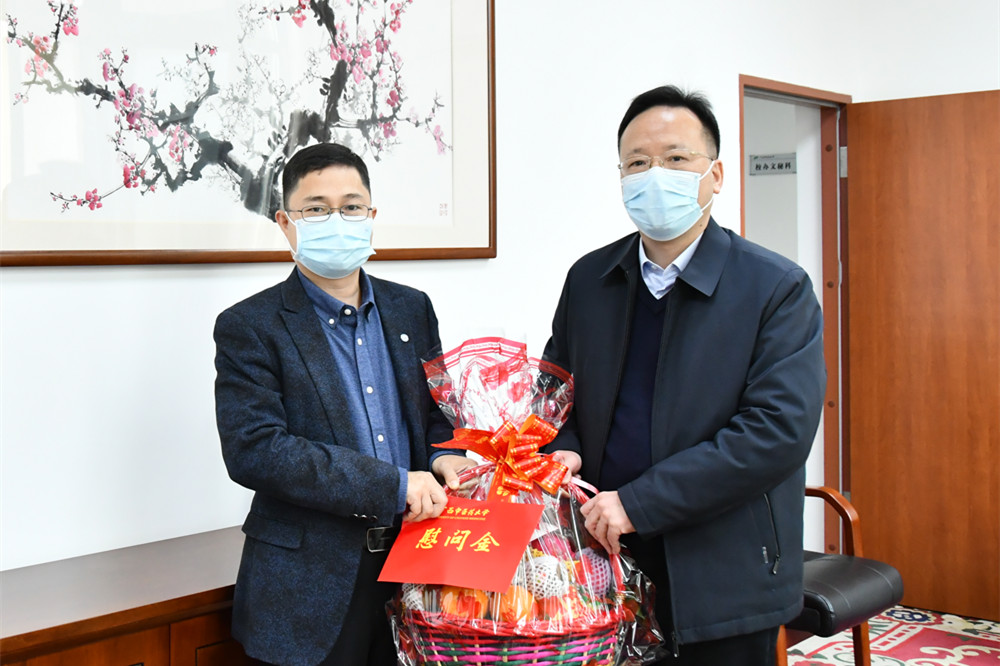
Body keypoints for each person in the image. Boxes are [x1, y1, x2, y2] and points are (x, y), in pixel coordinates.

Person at [543, 86, 827, 665]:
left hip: (724, 574)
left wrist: (639, 503)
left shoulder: (776, 288)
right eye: (637, 163)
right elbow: (554, 390)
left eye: (675, 159)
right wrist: (562, 445)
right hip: (601, 560)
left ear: (715, 175)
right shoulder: (589, 280)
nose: (654, 176)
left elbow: (776, 432)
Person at [213, 142, 476, 666]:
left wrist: (446, 454)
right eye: (316, 209)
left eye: (351, 207)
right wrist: (393, 484)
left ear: (371, 216)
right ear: (286, 223)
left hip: (417, 564)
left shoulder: (411, 308)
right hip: (308, 586)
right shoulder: (250, 325)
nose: (337, 220)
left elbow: (436, 411)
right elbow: (256, 450)